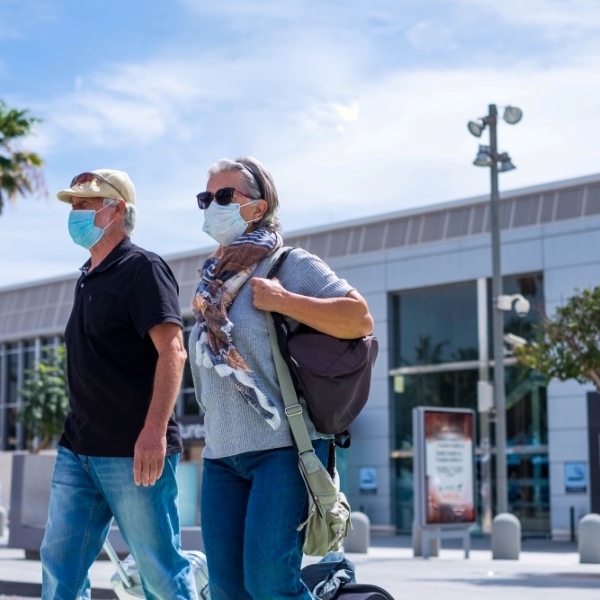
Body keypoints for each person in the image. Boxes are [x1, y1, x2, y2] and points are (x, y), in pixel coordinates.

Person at [189, 157, 374, 600]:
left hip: (281, 451)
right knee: (228, 591)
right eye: (205, 198)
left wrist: (285, 300)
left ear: (258, 206)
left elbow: (359, 318)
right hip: (221, 457)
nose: (211, 206)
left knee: (270, 585)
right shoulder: (213, 282)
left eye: (224, 196)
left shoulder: (288, 264)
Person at [40, 169, 198, 600]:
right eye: (72, 205)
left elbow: (173, 352)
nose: (74, 213)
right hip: (78, 450)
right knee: (60, 568)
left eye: (84, 205)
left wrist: (152, 434)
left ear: (116, 210)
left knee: (160, 573)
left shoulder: (142, 268)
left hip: (134, 454)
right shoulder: (87, 276)